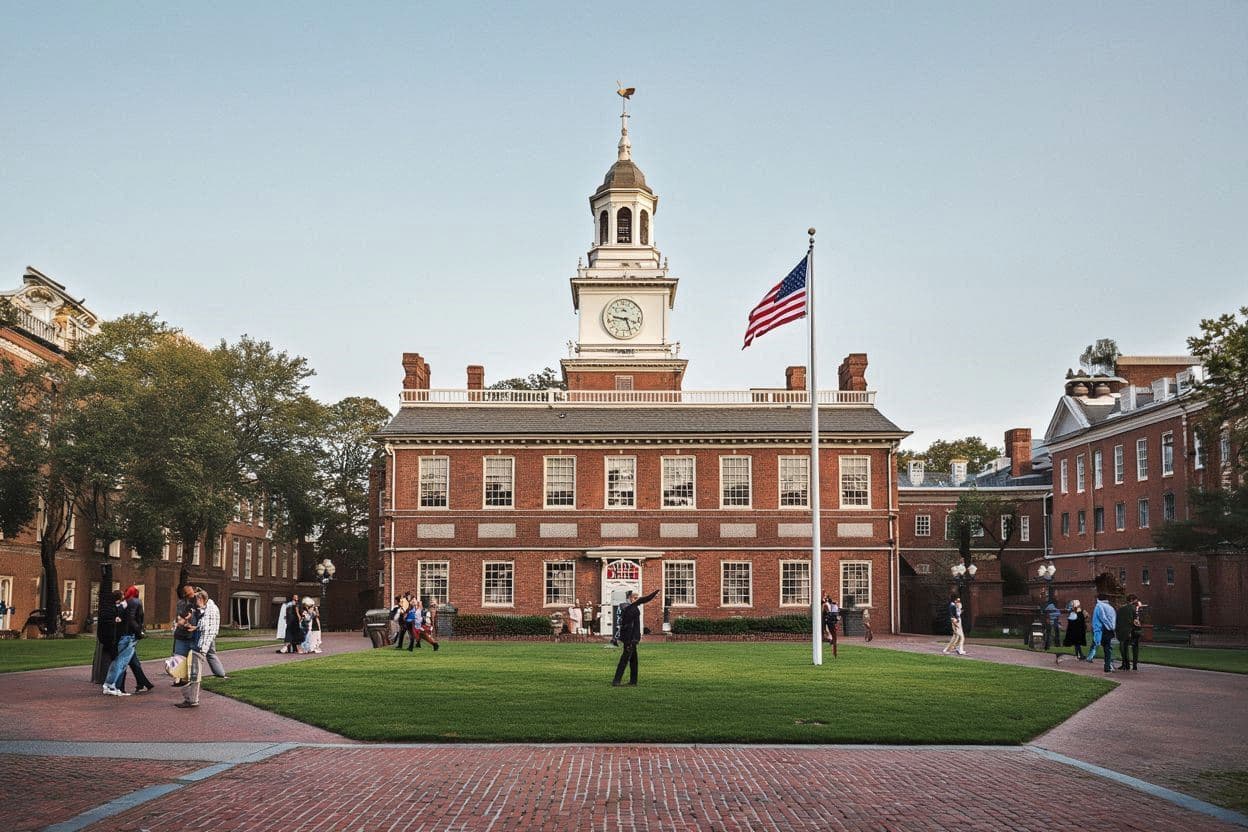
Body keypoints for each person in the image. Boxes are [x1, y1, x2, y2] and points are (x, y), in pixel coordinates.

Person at [177, 588, 220, 708]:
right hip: (201, 643)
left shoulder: (209, 609)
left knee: (195, 673)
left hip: (201, 645)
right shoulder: (210, 608)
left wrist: (194, 627)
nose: (195, 602)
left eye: (197, 600)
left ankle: (192, 700)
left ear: (201, 599)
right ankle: (190, 698)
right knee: (194, 673)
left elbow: (206, 626)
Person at [612, 588, 660, 686]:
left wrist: (654, 594)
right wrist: (632, 640)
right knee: (624, 659)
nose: (637, 599)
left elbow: (644, 600)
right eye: (635, 597)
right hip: (629, 638)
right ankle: (616, 681)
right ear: (630, 598)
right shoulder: (629, 608)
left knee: (633, 661)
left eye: (637, 597)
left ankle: (633, 681)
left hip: (632, 638)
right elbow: (628, 626)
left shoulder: (630, 607)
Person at [103, 586, 145, 696]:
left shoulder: (119, 605)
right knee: (121, 661)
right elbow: (133, 619)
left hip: (121, 635)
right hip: (128, 636)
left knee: (121, 661)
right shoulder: (133, 603)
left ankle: (114, 686)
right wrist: (139, 632)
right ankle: (113, 685)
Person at [1087, 593, 1117, 672]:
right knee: (1108, 649)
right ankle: (1108, 665)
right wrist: (1111, 627)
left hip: (1102, 630)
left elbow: (1099, 619)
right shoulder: (1111, 608)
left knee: (1101, 646)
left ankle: (1107, 665)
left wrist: (1097, 632)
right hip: (1109, 631)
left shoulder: (1098, 606)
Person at [1117, 595, 1142, 671]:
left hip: (1123, 632)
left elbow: (1118, 621)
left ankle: (1125, 664)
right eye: (1135, 600)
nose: (1137, 602)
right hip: (1133, 631)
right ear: (1132, 600)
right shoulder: (1134, 609)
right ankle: (1134, 665)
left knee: (1124, 648)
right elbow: (1136, 622)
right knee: (1135, 648)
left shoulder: (1120, 609)